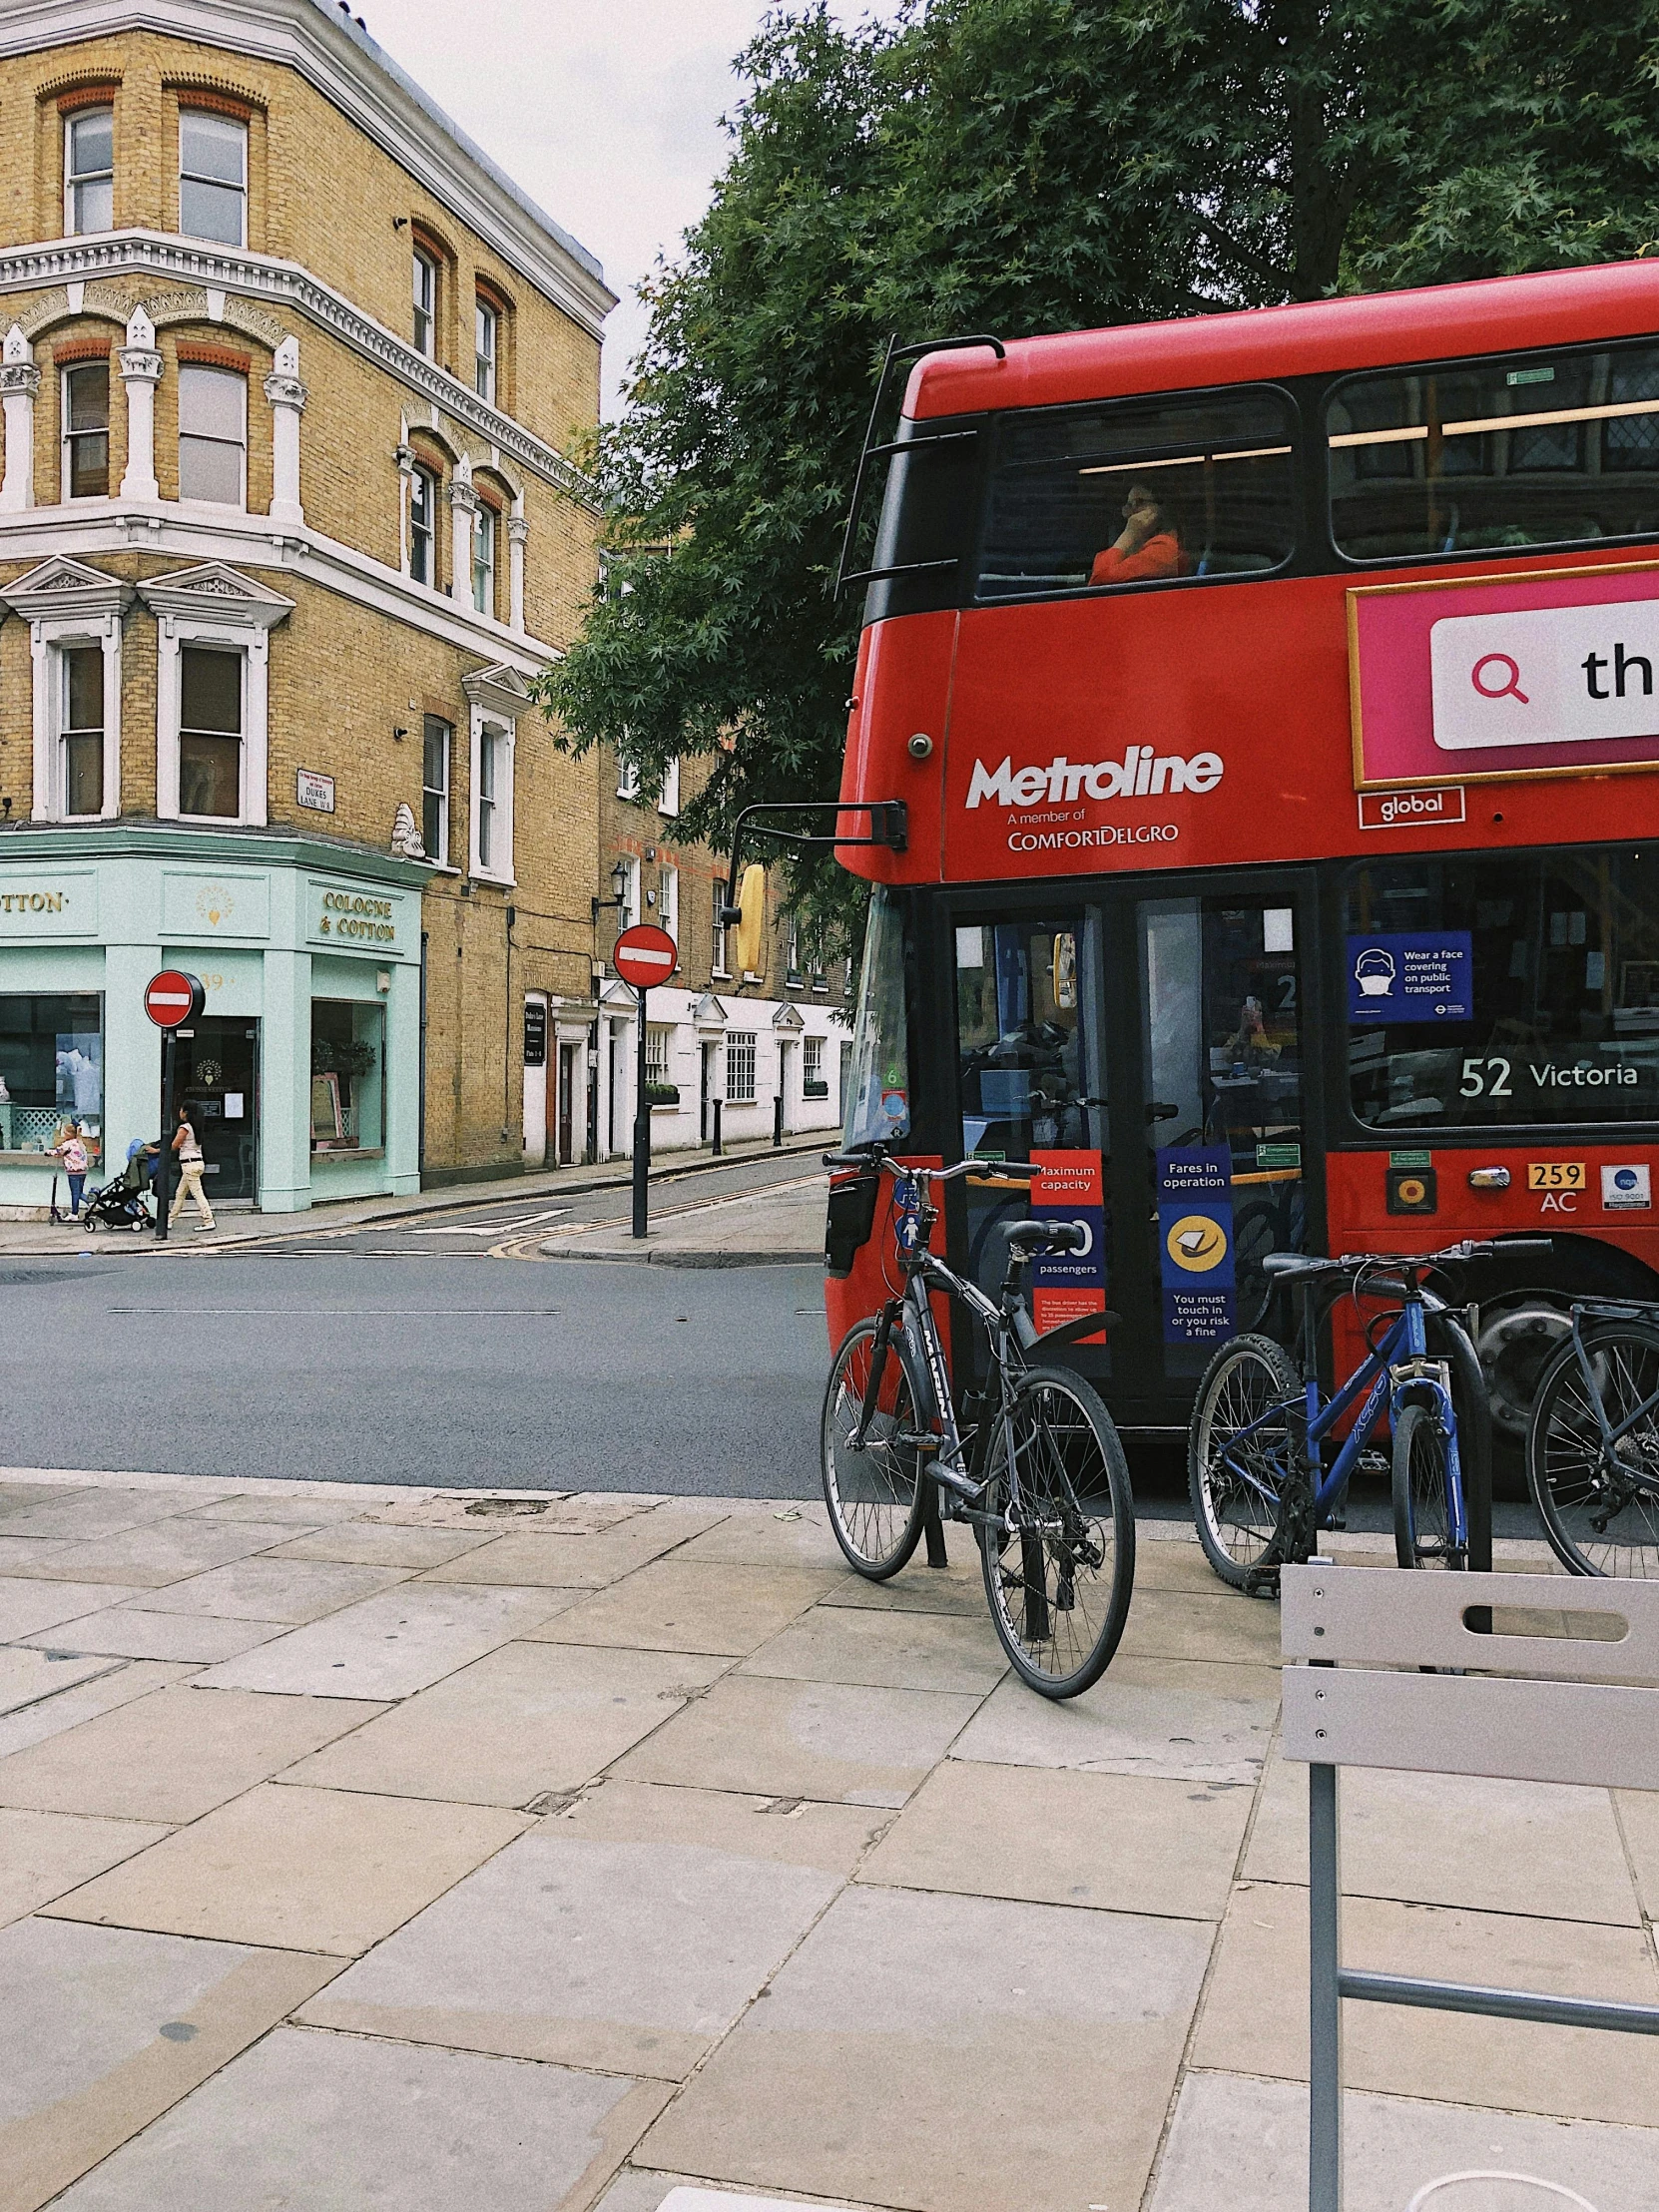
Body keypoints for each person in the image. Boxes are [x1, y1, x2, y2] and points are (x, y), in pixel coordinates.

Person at [1090, 483, 1183, 585]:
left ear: (1161, 508)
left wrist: (1129, 534)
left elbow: (1099, 581)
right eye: (1129, 505)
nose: (1132, 511)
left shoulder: (1163, 549)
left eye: (1140, 502)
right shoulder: (1135, 546)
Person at [168, 1103, 216, 1233]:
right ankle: (170, 1219)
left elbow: (174, 1145)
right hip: (196, 1163)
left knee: (198, 1194)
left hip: (189, 1165)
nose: (179, 1112)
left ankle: (208, 1220)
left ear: (186, 1113)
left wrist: (158, 1149)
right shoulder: (196, 1127)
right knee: (180, 1192)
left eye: (181, 1110)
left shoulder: (184, 1128)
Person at [49, 1119, 90, 1219]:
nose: (64, 1134)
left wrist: (48, 1152)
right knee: (79, 1192)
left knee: (75, 1193)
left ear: (69, 1134)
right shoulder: (80, 1143)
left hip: (73, 1172)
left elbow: (58, 1151)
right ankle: (83, 1206)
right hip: (82, 1171)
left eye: (65, 1132)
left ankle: (77, 1212)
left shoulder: (68, 1144)